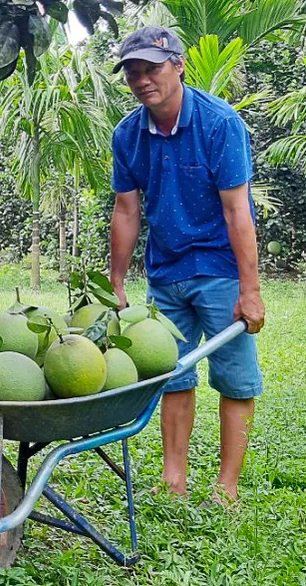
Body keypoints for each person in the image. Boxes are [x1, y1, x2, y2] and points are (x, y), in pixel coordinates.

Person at [108, 26, 266, 505]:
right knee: (171, 374)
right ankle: (173, 481)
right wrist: (116, 280)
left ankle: (226, 489)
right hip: (166, 273)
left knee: (234, 378)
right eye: (133, 72)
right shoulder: (128, 135)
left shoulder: (220, 124)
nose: (142, 80)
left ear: (178, 66)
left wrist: (250, 290)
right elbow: (126, 210)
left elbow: (238, 212)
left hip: (220, 270)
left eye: (151, 69)